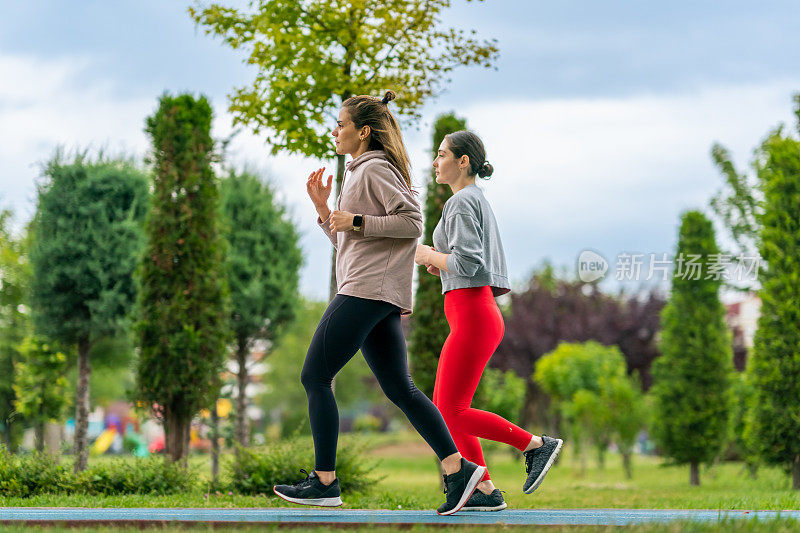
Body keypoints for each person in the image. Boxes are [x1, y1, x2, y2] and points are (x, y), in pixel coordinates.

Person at [273, 92, 484, 516]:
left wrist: (353, 219)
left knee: (315, 376)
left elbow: (410, 223)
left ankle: (325, 482)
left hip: (366, 291)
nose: (335, 131)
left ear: (363, 131)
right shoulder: (362, 171)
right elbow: (355, 244)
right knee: (399, 389)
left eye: (341, 124)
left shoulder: (374, 168)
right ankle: (460, 471)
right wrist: (325, 212)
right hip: (375, 289)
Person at [414, 130, 563, 512]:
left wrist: (429, 255)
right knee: (450, 409)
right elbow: (467, 265)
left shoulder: (462, 202)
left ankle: (534, 445)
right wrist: (439, 265)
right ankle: (484, 490)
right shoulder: (474, 199)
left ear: (463, 161)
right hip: (473, 312)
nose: (435, 162)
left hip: (474, 316)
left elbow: (467, 262)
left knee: (449, 410)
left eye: (442, 154)